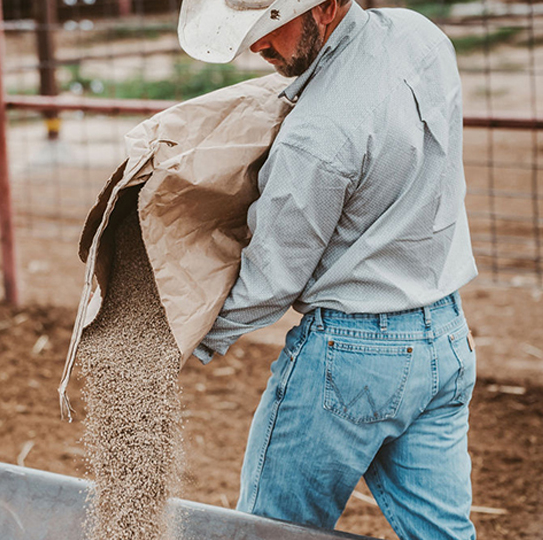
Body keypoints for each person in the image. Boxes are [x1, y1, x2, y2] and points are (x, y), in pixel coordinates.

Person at [178, 0, 478, 538]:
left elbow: (271, 282)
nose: (257, 45)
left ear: (330, 5)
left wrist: (179, 340)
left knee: (273, 531)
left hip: (353, 359)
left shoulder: (316, 135)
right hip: (446, 342)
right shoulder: (421, 37)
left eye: (271, 26)